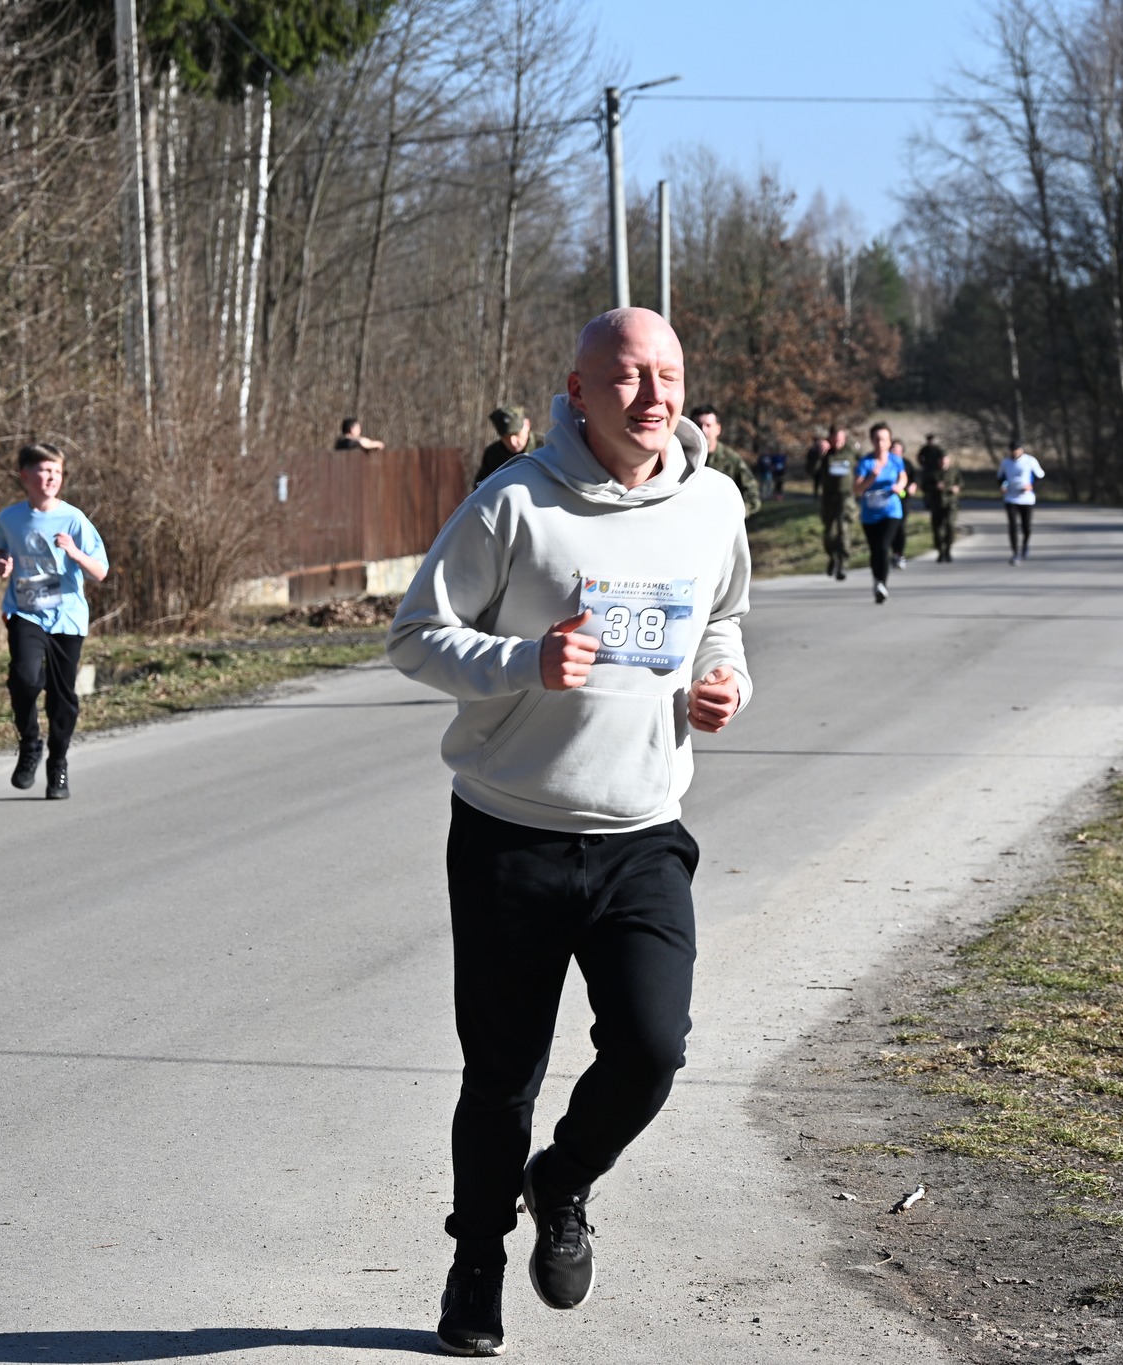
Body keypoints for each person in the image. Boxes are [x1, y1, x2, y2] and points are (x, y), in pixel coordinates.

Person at [388, 307, 751, 1358]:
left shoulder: (714, 502)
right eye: (629, 377)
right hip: (512, 831)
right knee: (501, 1075)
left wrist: (724, 681)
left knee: (652, 1048)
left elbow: (721, 620)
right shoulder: (514, 503)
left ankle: (563, 1179)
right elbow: (414, 635)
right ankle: (475, 1263)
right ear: (579, 390)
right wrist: (522, 663)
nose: (654, 397)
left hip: (643, 832)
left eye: (668, 375)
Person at [0, 443, 109, 800]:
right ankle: (30, 744)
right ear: (26, 476)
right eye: (45, 471)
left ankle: (58, 763)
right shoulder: (9, 517)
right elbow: (1, 547)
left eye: (57, 471)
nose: (52, 478)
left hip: (67, 615)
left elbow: (100, 571)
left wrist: (74, 552)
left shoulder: (74, 519)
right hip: (25, 610)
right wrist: (3, 563)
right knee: (24, 679)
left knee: (61, 696)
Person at [853, 421, 908, 603]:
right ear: (871, 440)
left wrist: (899, 486)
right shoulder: (866, 462)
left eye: (884, 439)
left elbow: (903, 477)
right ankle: (877, 581)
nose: (880, 443)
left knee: (883, 546)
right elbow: (857, 488)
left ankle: (882, 584)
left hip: (891, 511)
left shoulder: (895, 460)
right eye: (876, 439)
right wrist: (872, 477)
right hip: (870, 514)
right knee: (875, 550)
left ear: (889, 441)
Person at [690, 403, 761, 518]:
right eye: (698, 425)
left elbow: (752, 496)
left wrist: (734, 516)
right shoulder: (682, 458)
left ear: (718, 429)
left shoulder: (731, 459)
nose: (703, 430)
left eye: (708, 425)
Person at [818, 426, 856, 579]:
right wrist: (819, 454)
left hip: (846, 497)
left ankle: (843, 563)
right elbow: (811, 470)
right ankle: (832, 557)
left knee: (843, 528)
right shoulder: (825, 453)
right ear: (830, 438)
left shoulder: (851, 451)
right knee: (829, 532)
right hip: (829, 497)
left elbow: (864, 462)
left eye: (841, 439)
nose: (838, 442)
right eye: (835, 439)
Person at [998, 441, 1045, 563]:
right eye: (1012, 451)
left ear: (1021, 450)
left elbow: (1040, 476)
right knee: (1012, 526)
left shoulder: (1030, 461)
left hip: (1027, 499)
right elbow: (1001, 478)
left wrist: (1031, 486)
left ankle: (1024, 546)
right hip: (1010, 498)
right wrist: (1002, 486)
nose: (1015, 453)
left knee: (1026, 527)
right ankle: (1015, 553)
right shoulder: (1005, 462)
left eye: (1017, 450)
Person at [917, 432, 960, 562]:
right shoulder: (931, 471)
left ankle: (948, 549)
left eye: (945, 459)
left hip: (950, 502)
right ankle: (940, 550)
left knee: (950, 525)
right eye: (941, 459)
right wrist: (934, 487)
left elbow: (959, 482)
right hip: (936, 502)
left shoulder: (952, 471)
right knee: (937, 528)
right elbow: (924, 485)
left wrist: (956, 488)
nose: (943, 461)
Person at [475, 405, 536, 486]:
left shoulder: (545, 447)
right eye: (506, 438)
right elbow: (481, 487)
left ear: (527, 424)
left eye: (516, 434)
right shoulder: (492, 454)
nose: (512, 442)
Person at [889, 439, 917, 570]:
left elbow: (914, 479)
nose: (895, 451)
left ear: (902, 451)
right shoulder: (886, 462)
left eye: (897, 449)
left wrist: (913, 486)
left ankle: (899, 554)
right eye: (893, 448)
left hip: (903, 497)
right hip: (889, 498)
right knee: (890, 528)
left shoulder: (907, 464)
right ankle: (892, 553)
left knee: (900, 526)